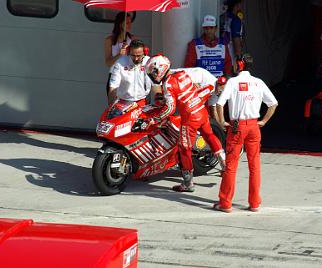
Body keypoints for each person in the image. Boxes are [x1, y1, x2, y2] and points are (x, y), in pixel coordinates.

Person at [145, 55, 226, 192]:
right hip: (201, 110)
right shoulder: (182, 74)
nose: (152, 76)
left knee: (184, 149)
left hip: (189, 119)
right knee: (209, 135)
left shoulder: (168, 84)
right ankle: (225, 165)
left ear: (161, 69)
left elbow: (170, 109)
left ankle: (188, 184)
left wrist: (154, 119)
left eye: (153, 72)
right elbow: (193, 88)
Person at [214, 54, 278, 213]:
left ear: (239, 65)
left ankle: (226, 203)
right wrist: (263, 121)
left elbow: (220, 103)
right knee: (255, 165)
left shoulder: (233, 82)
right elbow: (273, 103)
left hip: (237, 127)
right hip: (254, 126)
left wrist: (222, 121)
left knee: (231, 166)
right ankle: (255, 203)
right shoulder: (258, 82)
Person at [108, 40, 157, 106]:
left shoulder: (150, 63)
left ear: (145, 52)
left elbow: (156, 84)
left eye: (139, 56)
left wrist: (159, 98)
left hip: (141, 102)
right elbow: (113, 86)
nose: (136, 59)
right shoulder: (120, 63)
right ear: (128, 52)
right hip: (122, 103)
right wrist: (111, 106)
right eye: (133, 55)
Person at [104, 12, 136, 98]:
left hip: (128, 76)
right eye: (127, 23)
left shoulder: (132, 39)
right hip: (114, 76)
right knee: (113, 107)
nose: (130, 25)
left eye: (130, 22)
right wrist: (119, 54)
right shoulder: (110, 40)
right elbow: (108, 63)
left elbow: (137, 59)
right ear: (120, 24)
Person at [221, 0, 244, 65]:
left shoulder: (222, 16)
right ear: (236, 5)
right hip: (230, 52)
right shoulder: (236, 20)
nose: (241, 6)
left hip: (219, 51)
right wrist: (239, 57)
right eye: (240, 3)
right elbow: (236, 38)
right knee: (231, 73)